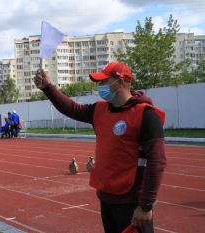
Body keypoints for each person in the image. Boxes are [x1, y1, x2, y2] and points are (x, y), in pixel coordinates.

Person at [34, 62, 167, 233]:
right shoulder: (99, 109)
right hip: (107, 199)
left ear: (119, 82)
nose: (100, 86)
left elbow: (157, 161)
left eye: (104, 81)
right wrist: (48, 88)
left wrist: (146, 205)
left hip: (132, 203)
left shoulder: (146, 114)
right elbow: (73, 109)